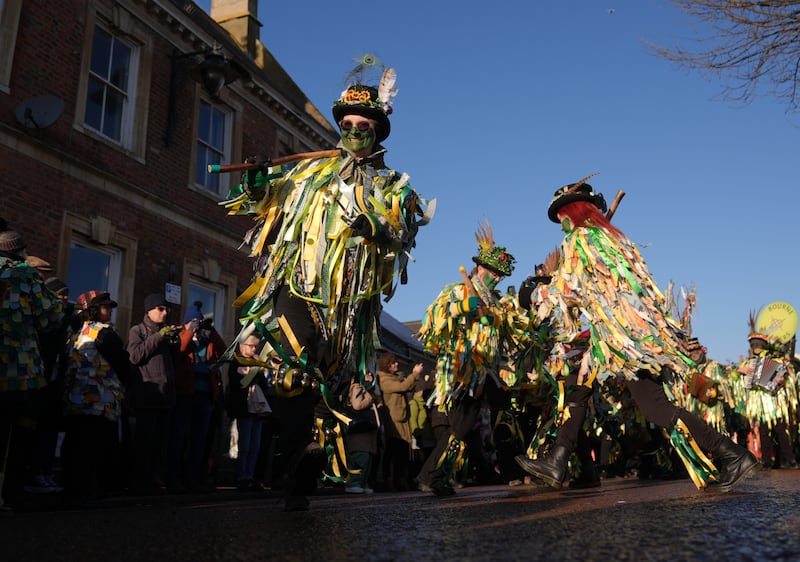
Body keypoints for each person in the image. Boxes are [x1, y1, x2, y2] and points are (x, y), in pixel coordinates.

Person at [220, 59, 433, 511]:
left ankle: (303, 464)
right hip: (296, 286)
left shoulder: (394, 184)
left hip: (349, 303)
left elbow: (404, 232)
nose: (355, 130)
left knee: (329, 378)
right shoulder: (308, 173)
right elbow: (262, 204)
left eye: (364, 124)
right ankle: (298, 456)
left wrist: (376, 226)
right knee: (293, 367)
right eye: (349, 123)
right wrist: (258, 180)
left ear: (377, 131)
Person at [515, 178, 758, 493]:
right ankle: (557, 461)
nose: (560, 221)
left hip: (624, 340)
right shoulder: (611, 238)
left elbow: (571, 289)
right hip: (627, 335)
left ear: (572, 212)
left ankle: (732, 454)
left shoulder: (580, 239)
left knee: (656, 408)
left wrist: (537, 294)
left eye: (562, 214)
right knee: (579, 387)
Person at [416, 220, 533, 497]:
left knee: (504, 414)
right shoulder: (457, 290)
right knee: (461, 425)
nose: (496, 277)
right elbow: (432, 319)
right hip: (465, 369)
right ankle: (431, 476)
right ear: (479, 267)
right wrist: (462, 307)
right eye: (492, 271)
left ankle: (514, 472)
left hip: (492, 370)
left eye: (500, 274)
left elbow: (509, 333)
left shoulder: (496, 301)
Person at [0, 218, 68, 511]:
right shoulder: (25, 276)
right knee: (14, 435)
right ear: (19, 251)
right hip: (17, 371)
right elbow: (50, 318)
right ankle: (8, 494)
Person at [60, 291, 128, 505]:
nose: (109, 311)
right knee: (94, 447)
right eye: (106, 307)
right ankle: (90, 489)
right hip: (100, 401)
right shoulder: (105, 334)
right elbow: (122, 363)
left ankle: (72, 487)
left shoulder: (75, 333)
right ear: (94, 309)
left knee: (75, 444)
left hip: (75, 399)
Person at [168, 302, 227, 492]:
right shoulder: (179, 338)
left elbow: (224, 352)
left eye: (199, 323)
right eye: (193, 322)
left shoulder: (206, 341)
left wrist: (212, 331)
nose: (197, 326)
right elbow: (178, 353)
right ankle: (175, 479)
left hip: (205, 398)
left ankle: (195, 478)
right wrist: (188, 331)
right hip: (185, 395)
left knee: (199, 441)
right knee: (180, 438)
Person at [126, 293, 181, 495]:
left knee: (160, 445)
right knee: (144, 444)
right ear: (149, 310)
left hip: (165, 397)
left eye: (167, 309)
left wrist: (175, 344)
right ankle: (139, 482)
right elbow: (134, 356)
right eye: (160, 308)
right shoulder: (137, 330)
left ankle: (154, 480)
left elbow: (173, 363)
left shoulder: (164, 333)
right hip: (147, 396)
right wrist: (159, 337)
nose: (165, 312)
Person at [734, 329, 798, 469]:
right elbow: (736, 380)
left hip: (773, 401)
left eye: (758, 344)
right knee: (763, 432)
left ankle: (789, 459)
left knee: (780, 430)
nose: (756, 347)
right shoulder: (747, 363)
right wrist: (740, 371)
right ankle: (766, 460)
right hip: (759, 402)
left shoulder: (775, 361)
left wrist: (781, 379)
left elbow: (785, 377)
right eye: (753, 345)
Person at [225, 334, 272, 492]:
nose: (253, 349)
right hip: (244, 408)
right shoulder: (236, 361)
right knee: (244, 445)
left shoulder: (257, 362)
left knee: (255, 445)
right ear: (243, 345)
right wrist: (253, 371)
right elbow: (237, 383)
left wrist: (260, 370)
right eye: (251, 346)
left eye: (255, 346)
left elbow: (264, 385)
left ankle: (250, 476)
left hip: (257, 409)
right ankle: (241, 477)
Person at [376, 353, 422, 492]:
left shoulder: (394, 378)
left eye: (396, 362)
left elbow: (406, 386)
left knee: (401, 453)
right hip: (394, 421)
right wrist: (414, 374)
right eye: (393, 363)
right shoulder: (384, 380)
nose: (396, 365)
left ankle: (399, 479)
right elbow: (402, 387)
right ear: (386, 365)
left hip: (401, 419)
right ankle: (390, 480)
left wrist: (413, 377)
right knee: (394, 451)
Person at [343, 371, 379, 494]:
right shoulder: (357, 387)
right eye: (368, 373)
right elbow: (357, 405)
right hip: (359, 431)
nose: (370, 376)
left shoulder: (366, 389)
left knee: (367, 460)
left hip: (367, 432)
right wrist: (369, 395)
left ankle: (363, 483)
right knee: (360, 458)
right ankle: (353, 483)